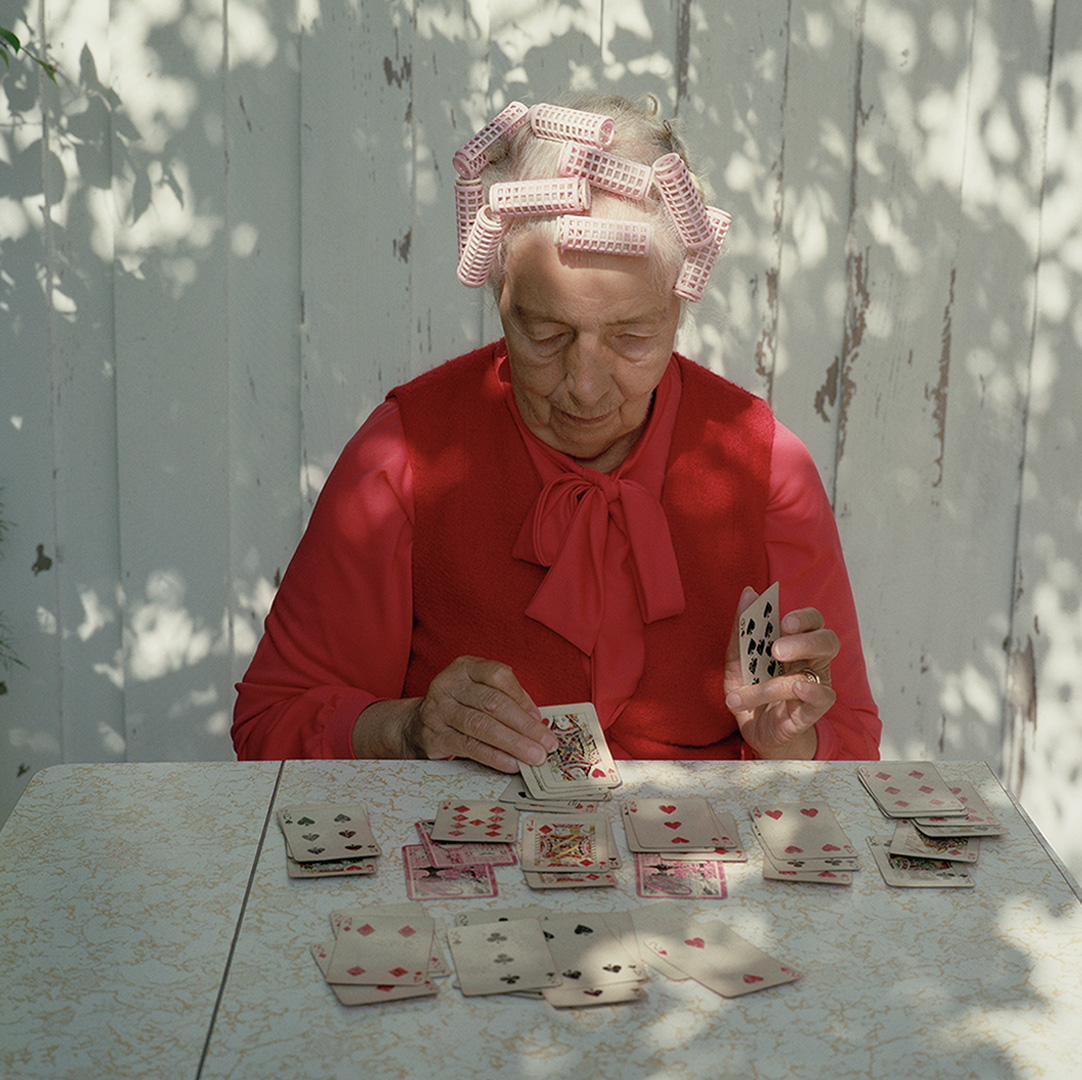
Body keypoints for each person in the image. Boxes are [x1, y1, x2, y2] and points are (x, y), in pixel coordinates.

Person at [233, 92, 881, 770]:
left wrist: (789, 742)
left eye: (632, 337)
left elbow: (854, 748)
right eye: (545, 334)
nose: (585, 386)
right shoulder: (403, 454)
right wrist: (406, 728)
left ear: (679, 307)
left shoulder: (767, 468)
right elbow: (268, 724)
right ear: (499, 297)